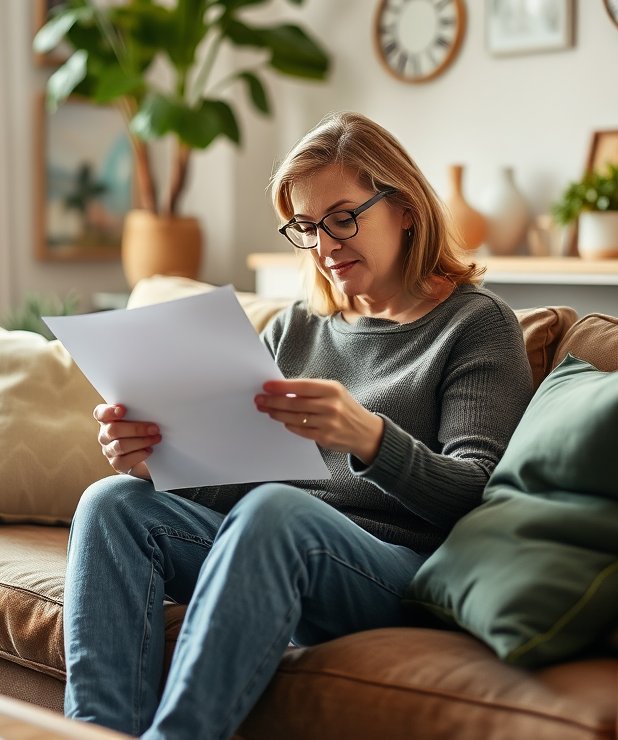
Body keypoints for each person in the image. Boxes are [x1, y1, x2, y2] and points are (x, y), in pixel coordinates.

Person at [63, 111, 534, 740]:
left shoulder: (476, 326)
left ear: (407, 208)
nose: (325, 246)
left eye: (343, 218)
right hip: (270, 550)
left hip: (395, 571)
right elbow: (244, 481)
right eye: (307, 227)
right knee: (114, 503)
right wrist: (164, 462)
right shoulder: (298, 327)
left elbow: (477, 495)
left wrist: (369, 438)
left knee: (277, 511)